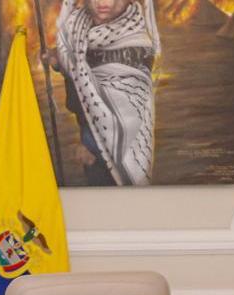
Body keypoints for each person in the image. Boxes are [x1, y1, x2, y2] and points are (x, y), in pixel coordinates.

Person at [52, 0, 161, 185]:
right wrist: (59, 62)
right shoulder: (75, 27)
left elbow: (124, 100)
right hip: (88, 133)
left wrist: (94, 149)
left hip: (125, 141)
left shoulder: (136, 37)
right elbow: (79, 75)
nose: (103, 3)